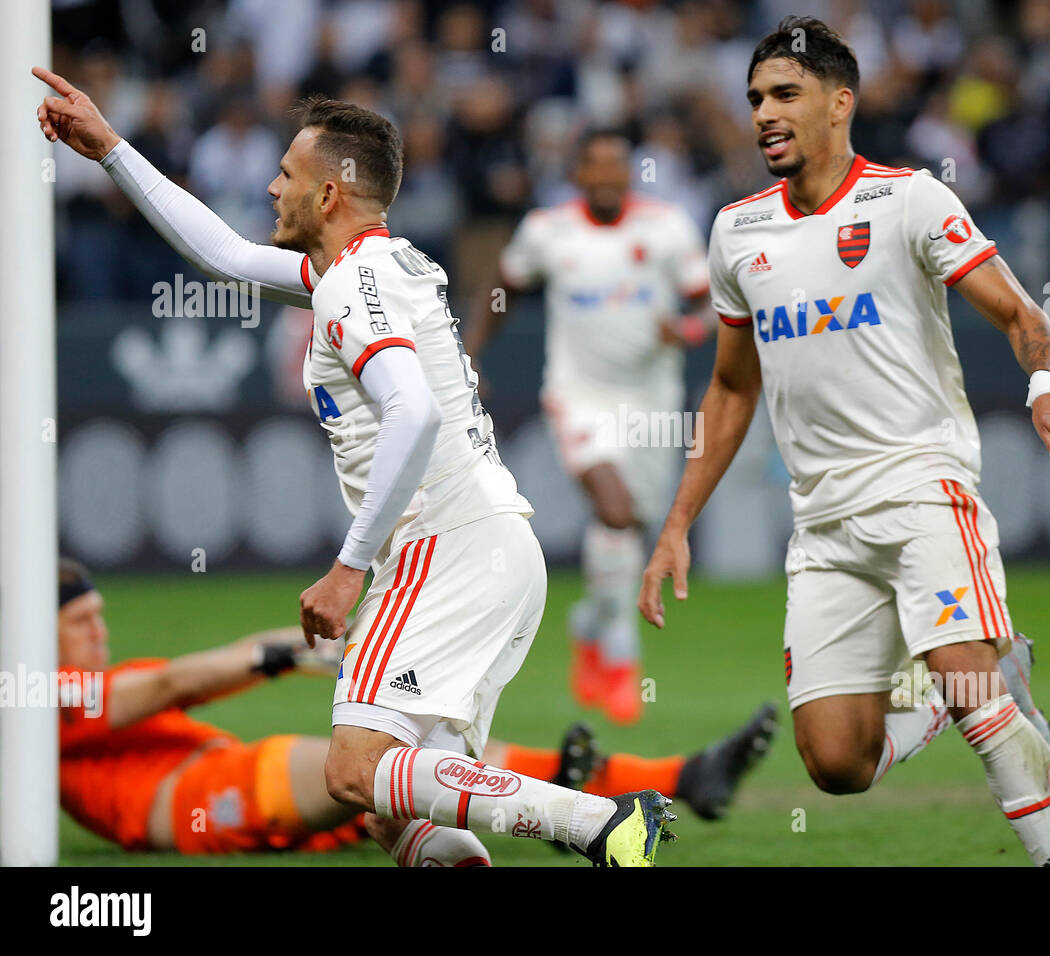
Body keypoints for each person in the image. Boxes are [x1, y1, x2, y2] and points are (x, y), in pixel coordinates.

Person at [36, 67, 672, 866]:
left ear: (329, 195)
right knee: (394, 810)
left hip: (443, 549)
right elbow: (226, 256)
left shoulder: (353, 284)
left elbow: (414, 411)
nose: (270, 188)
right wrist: (113, 150)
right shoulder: (367, 269)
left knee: (353, 771)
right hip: (495, 548)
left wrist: (347, 568)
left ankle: (600, 823)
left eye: (287, 175)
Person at [638, 18, 1050, 866]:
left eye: (786, 94)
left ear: (840, 102)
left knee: (971, 686)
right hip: (822, 522)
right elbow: (733, 385)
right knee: (836, 763)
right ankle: (966, 686)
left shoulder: (909, 199)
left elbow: (1018, 311)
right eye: (754, 99)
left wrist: (1047, 388)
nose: (764, 114)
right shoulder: (738, 231)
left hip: (922, 485)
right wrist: (677, 522)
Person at [56, 559, 775, 863]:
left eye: (100, 617)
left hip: (240, 791)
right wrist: (287, 657)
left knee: (414, 775)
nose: (101, 633)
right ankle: (598, 809)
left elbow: (209, 667)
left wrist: (347, 648)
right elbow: (174, 685)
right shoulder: (44, 697)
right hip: (209, 799)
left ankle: (672, 775)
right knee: (395, 769)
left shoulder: (88, 687)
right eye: (83, 620)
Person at [464, 129, 713, 724]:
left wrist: (688, 330)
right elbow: (503, 290)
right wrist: (469, 356)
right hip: (579, 396)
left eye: (615, 167)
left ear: (630, 173)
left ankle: (588, 623)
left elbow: (711, 305)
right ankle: (622, 654)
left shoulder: (668, 227)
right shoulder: (548, 232)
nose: (605, 177)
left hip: (652, 399)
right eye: (593, 167)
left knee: (633, 526)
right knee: (616, 510)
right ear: (578, 174)